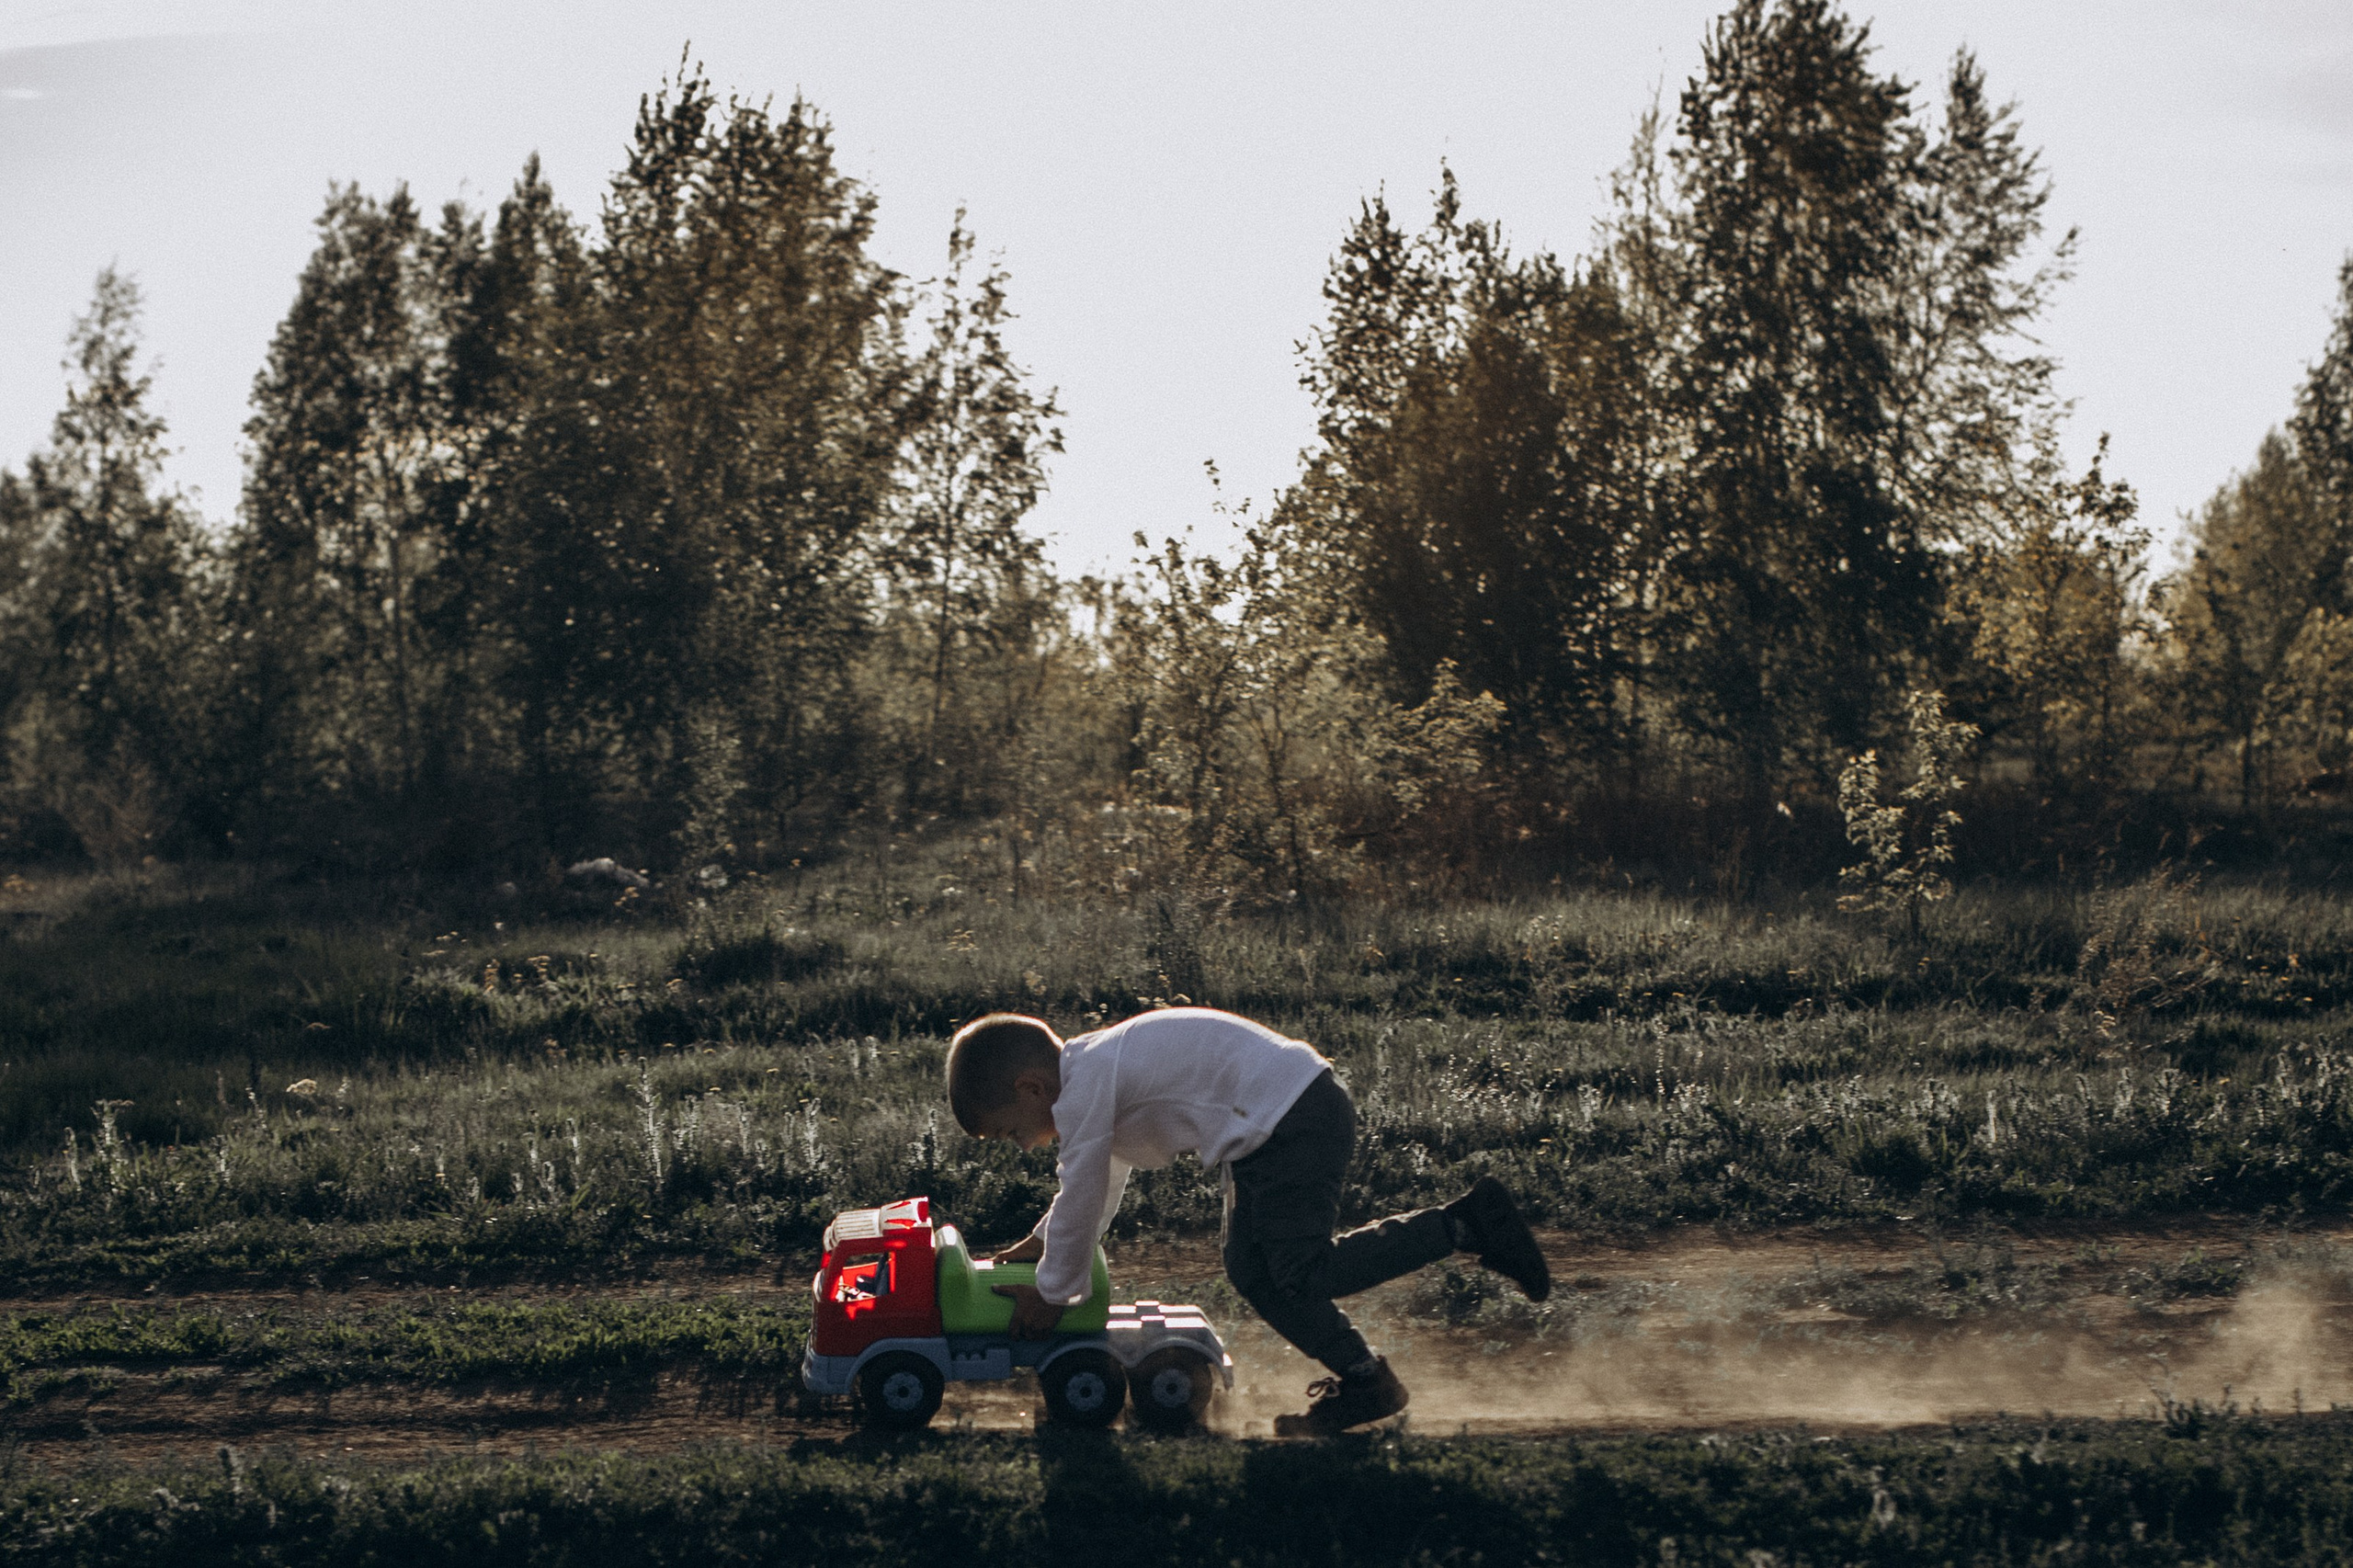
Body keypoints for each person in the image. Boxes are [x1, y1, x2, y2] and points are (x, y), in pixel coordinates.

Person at [946, 1006, 1552, 1436]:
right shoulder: (1091, 1075)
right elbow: (1096, 1183)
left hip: (1294, 1118)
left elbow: (1081, 1188)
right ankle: (1366, 1379)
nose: (1023, 1146)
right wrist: (1045, 1242)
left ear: (1031, 1089)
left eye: (1011, 1132)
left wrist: (1053, 1293)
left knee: (1305, 1270)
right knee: (1252, 1269)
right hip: (1269, 1128)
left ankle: (1468, 1225)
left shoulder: (1084, 1089)